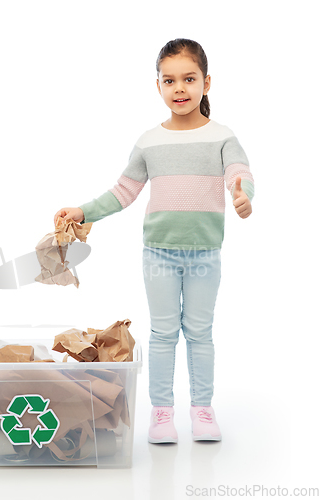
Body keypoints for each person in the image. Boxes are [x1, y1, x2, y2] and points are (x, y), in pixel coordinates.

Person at [54, 38, 254, 443]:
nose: (179, 88)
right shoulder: (149, 141)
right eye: (170, 80)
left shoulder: (222, 136)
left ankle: (202, 410)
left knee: (199, 332)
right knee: (163, 333)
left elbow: (240, 173)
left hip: (205, 254)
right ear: (158, 86)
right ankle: (161, 414)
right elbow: (123, 192)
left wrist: (243, 194)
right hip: (158, 254)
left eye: (189, 78)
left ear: (206, 82)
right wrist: (84, 211)